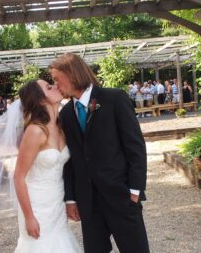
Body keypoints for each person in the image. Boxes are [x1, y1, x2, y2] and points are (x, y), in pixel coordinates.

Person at [0, 80, 81, 253]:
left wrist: (69, 200)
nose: (56, 86)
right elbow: (19, 177)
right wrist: (29, 217)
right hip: (36, 204)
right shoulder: (35, 131)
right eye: (49, 87)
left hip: (56, 200)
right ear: (40, 99)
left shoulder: (60, 127)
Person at [49, 53, 149, 253]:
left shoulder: (114, 99)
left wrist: (135, 190)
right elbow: (69, 161)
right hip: (89, 204)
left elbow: (135, 148)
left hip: (121, 197)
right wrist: (71, 199)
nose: (55, 85)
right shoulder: (66, 114)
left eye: (57, 79)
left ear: (72, 74)